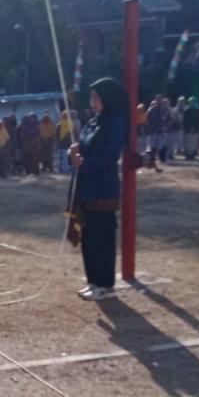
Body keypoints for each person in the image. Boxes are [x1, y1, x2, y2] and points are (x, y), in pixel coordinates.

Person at [69, 77, 128, 302]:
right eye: (92, 96)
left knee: (103, 237)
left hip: (104, 189)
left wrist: (84, 162)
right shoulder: (92, 121)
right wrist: (73, 153)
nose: (92, 101)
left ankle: (105, 283)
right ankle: (93, 281)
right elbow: (84, 146)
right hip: (87, 188)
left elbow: (110, 157)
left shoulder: (114, 123)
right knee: (89, 238)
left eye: (96, 96)